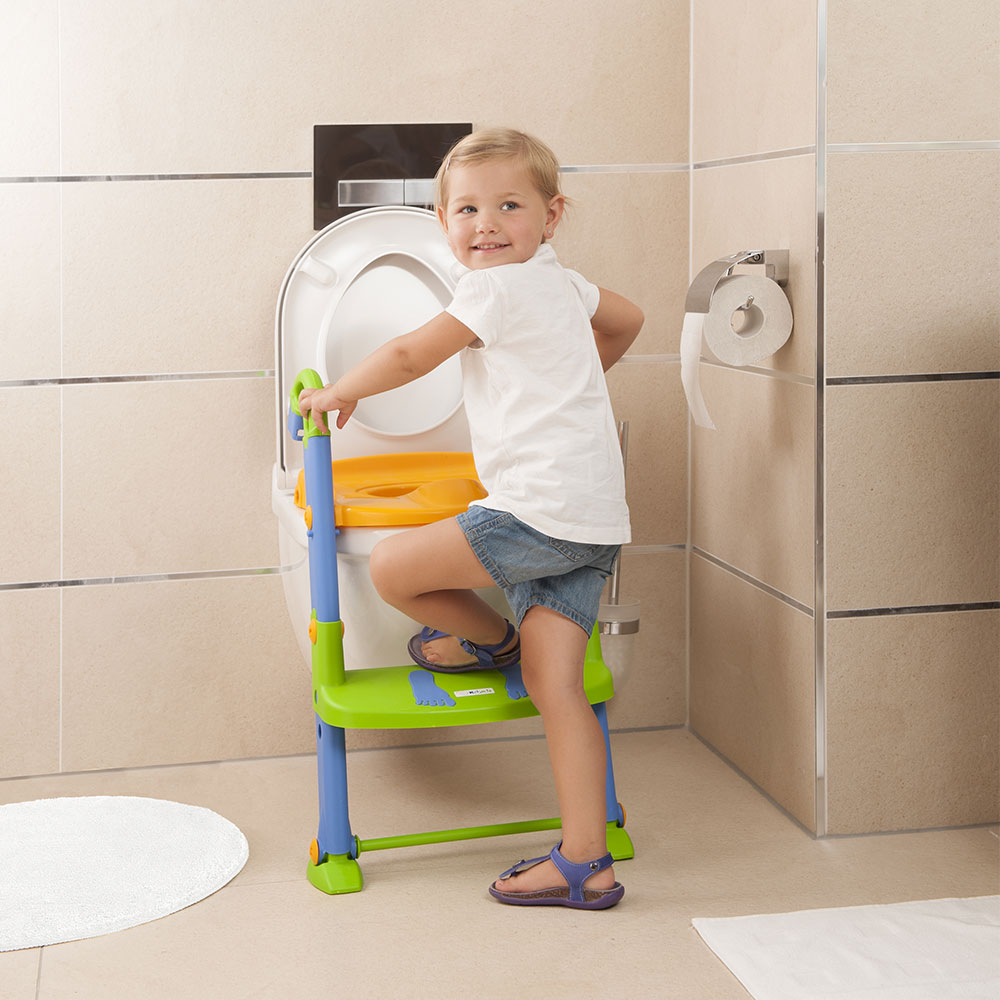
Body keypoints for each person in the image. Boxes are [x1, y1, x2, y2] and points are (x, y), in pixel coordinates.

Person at [299, 128, 643, 909]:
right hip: (593, 520)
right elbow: (629, 319)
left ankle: (490, 640)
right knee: (557, 687)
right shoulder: (564, 284)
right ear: (443, 220)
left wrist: (340, 392)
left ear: (551, 215)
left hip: (537, 512)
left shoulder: (492, 290)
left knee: (392, 568)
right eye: (467, 210)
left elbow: (410, 355)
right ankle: (586, 863)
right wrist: (572, 383)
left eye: (509, 206)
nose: (486, 224)